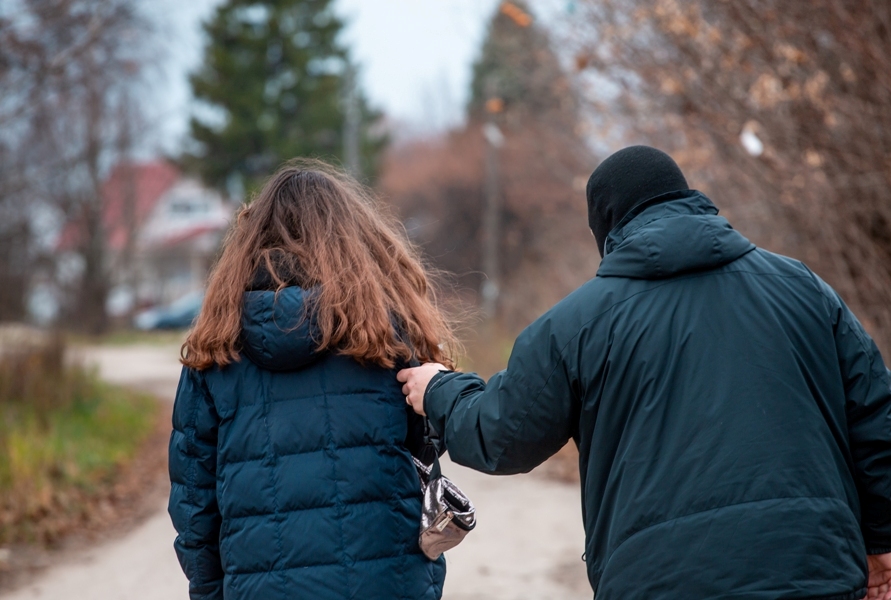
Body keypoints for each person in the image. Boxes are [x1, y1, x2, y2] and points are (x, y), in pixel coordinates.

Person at [399, 146, 891, 600]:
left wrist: (440, 390)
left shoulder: (576, 325)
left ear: (606, 227)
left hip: (661, 582)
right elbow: (874, 417)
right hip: (816, 567)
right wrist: (882, 539)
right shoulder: (804, 289)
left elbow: (503, 434)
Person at [169, 160, 457, 600]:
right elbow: (426, 453)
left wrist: (211, 592)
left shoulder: (214, 352)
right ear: (355, 241)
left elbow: (194, 509)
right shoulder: (387, 338)